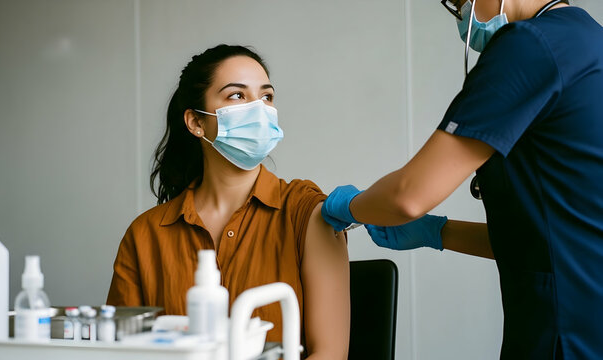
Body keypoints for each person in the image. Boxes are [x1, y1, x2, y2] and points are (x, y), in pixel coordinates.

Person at [321, 0, 603, 358]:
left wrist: (351, 207)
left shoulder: (529, 45)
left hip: (565, 333)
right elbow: (558, 234)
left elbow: (408, 196)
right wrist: (437, 231)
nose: (462, 12)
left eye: (458, 1)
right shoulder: (590, 41)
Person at [107, 44, 350, 359]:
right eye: (237, 95)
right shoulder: (145, 235)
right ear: (196, 122)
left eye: (266, 97)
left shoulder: (306, 212)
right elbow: (122, 353)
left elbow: (330, 354)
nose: (258, 109)